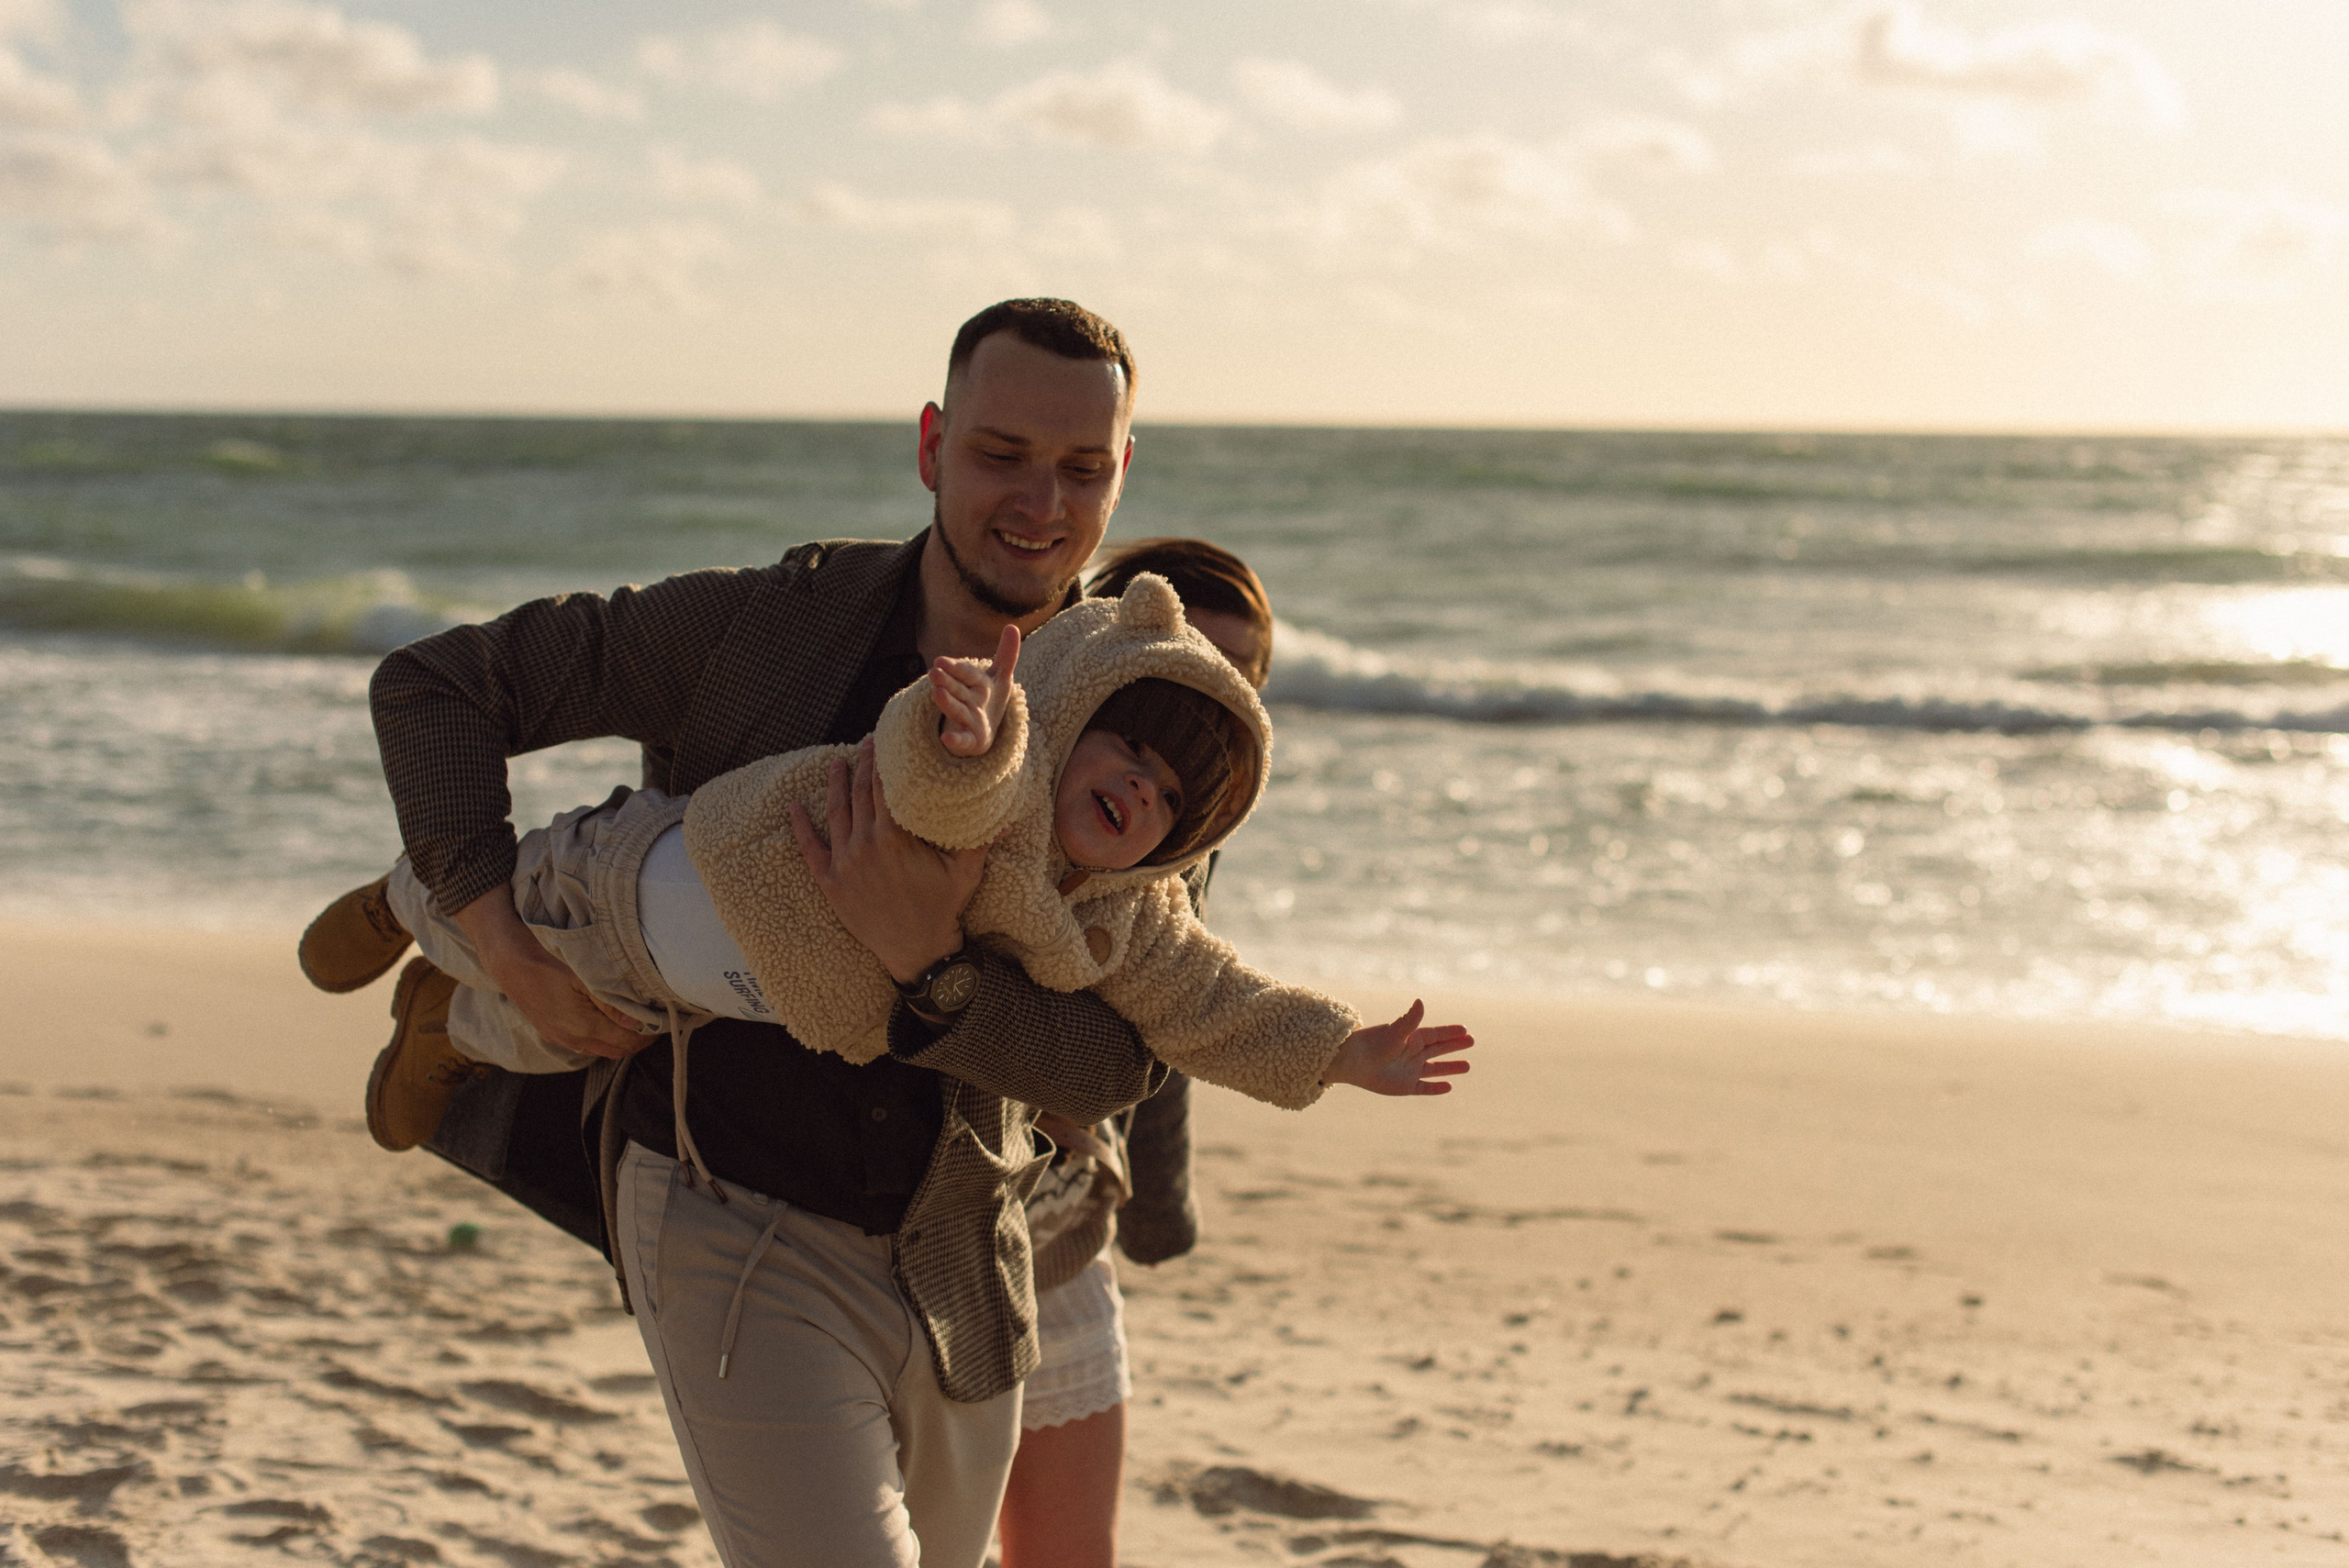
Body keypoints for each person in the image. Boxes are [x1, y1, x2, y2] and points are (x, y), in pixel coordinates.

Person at [327, 299, 1178, 1568]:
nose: (1041, 503)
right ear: (932, 444)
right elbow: (439, 685)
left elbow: (1115, 1063)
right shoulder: (770, 628)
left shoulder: (1139, 709)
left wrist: (928, 968)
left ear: (1124, 471)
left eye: (1083, 468)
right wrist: (505, 946)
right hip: (729, 1205)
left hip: (964, 1259)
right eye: (1001, 454)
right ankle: (451, 990)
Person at [324, 572, 1465, 1147]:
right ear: (1075, 713)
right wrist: (971, 732)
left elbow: (1209, 1002)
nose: (1139, 788)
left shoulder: (1124, 919)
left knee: (553, 1030)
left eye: (1171, 799)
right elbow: (930, 783)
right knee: (488, 912)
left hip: (691, 997)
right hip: (629, 879)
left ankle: (444, 1023)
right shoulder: (1003, 769)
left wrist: (1338, 1050)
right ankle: (400, 894)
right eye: (1128, 747)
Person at [997, 537, 1276, 1568]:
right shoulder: (1007, 767)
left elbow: (1171, 1026)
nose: (1203, 696)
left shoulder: (1175, 833)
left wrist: (1158, 1208)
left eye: (1236, 677)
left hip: (1064, 1220)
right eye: (1188, 655)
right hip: (931, 1207)